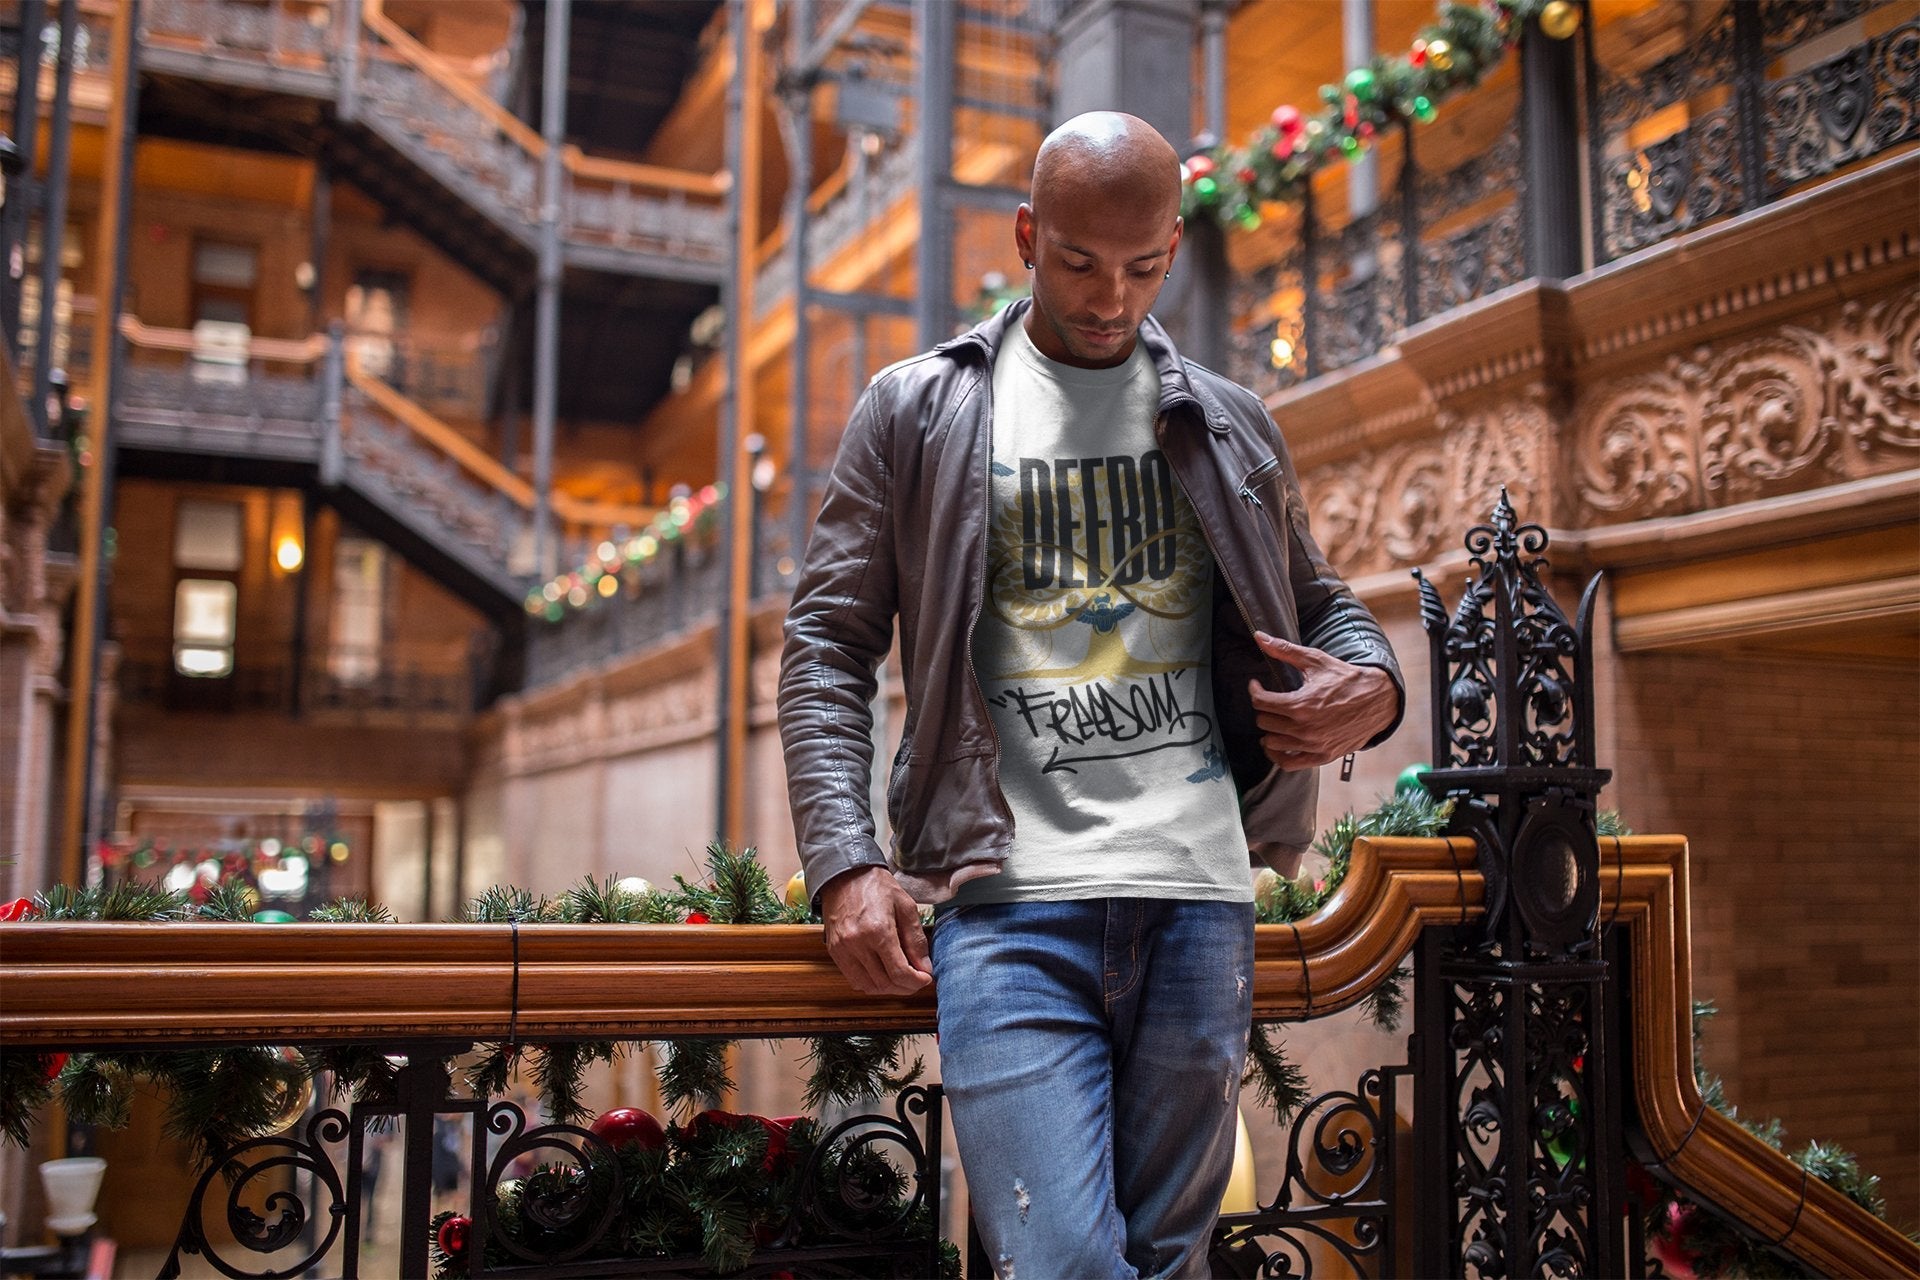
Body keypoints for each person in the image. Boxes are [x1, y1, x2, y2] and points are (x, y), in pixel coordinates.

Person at [777, 111, 1403, 1279]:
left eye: (1143, 264)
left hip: (1201, 896)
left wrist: (1372, 685)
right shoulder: (918, 410)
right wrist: (847, 860)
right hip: (1006, 903)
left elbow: (1326, 605)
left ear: (1173, 248)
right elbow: (826, 641)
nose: (1111, 296)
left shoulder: (1233, 423)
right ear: (1026, 234)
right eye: (1077, 261)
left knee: (1170, 1259)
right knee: (1065, 1261)